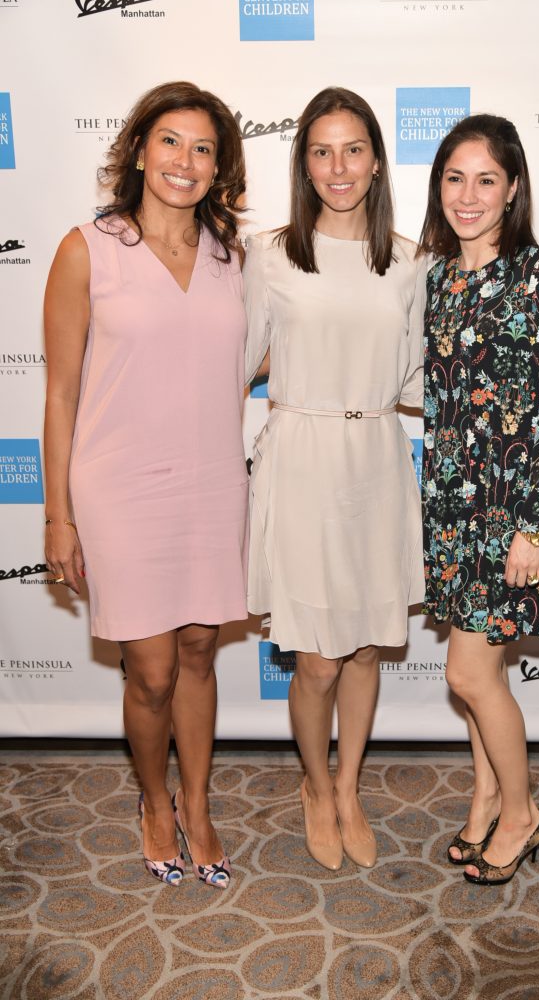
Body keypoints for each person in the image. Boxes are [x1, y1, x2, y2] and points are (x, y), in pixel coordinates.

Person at [43, 81, 248, 888]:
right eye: (170, 141)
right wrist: (59, 517)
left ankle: (198, 805)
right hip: (119, 485)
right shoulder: (85, 249)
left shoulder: (235, 259)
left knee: (200, 651)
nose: (184, 161)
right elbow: (60, 392)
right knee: (152, 669)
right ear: (137, 149)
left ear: (218, 169)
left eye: (203, 149)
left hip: (209, 477)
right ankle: (153, 801)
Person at [244, 87, 426, 871]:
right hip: (303, 457)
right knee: (316, 656)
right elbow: (235, 361)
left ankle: (349, 786)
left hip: (378, 460)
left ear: (377, 159)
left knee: (363, 652)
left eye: (353, 149)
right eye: (321, 151)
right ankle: (314, 786)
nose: (338, 166)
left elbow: (421, 377)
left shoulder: (413, 259)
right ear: (303, 162)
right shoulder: (270, 254)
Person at [419, 114, 539, 885]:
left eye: (487, 179)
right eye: (455, 177)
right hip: (453, 509)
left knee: (468, 676)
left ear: (513, 187)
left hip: (512, 516)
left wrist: (535, 530)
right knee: (486, 675)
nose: (469, 194)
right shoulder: (441, 279)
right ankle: (486, 797)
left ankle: (522, 814)